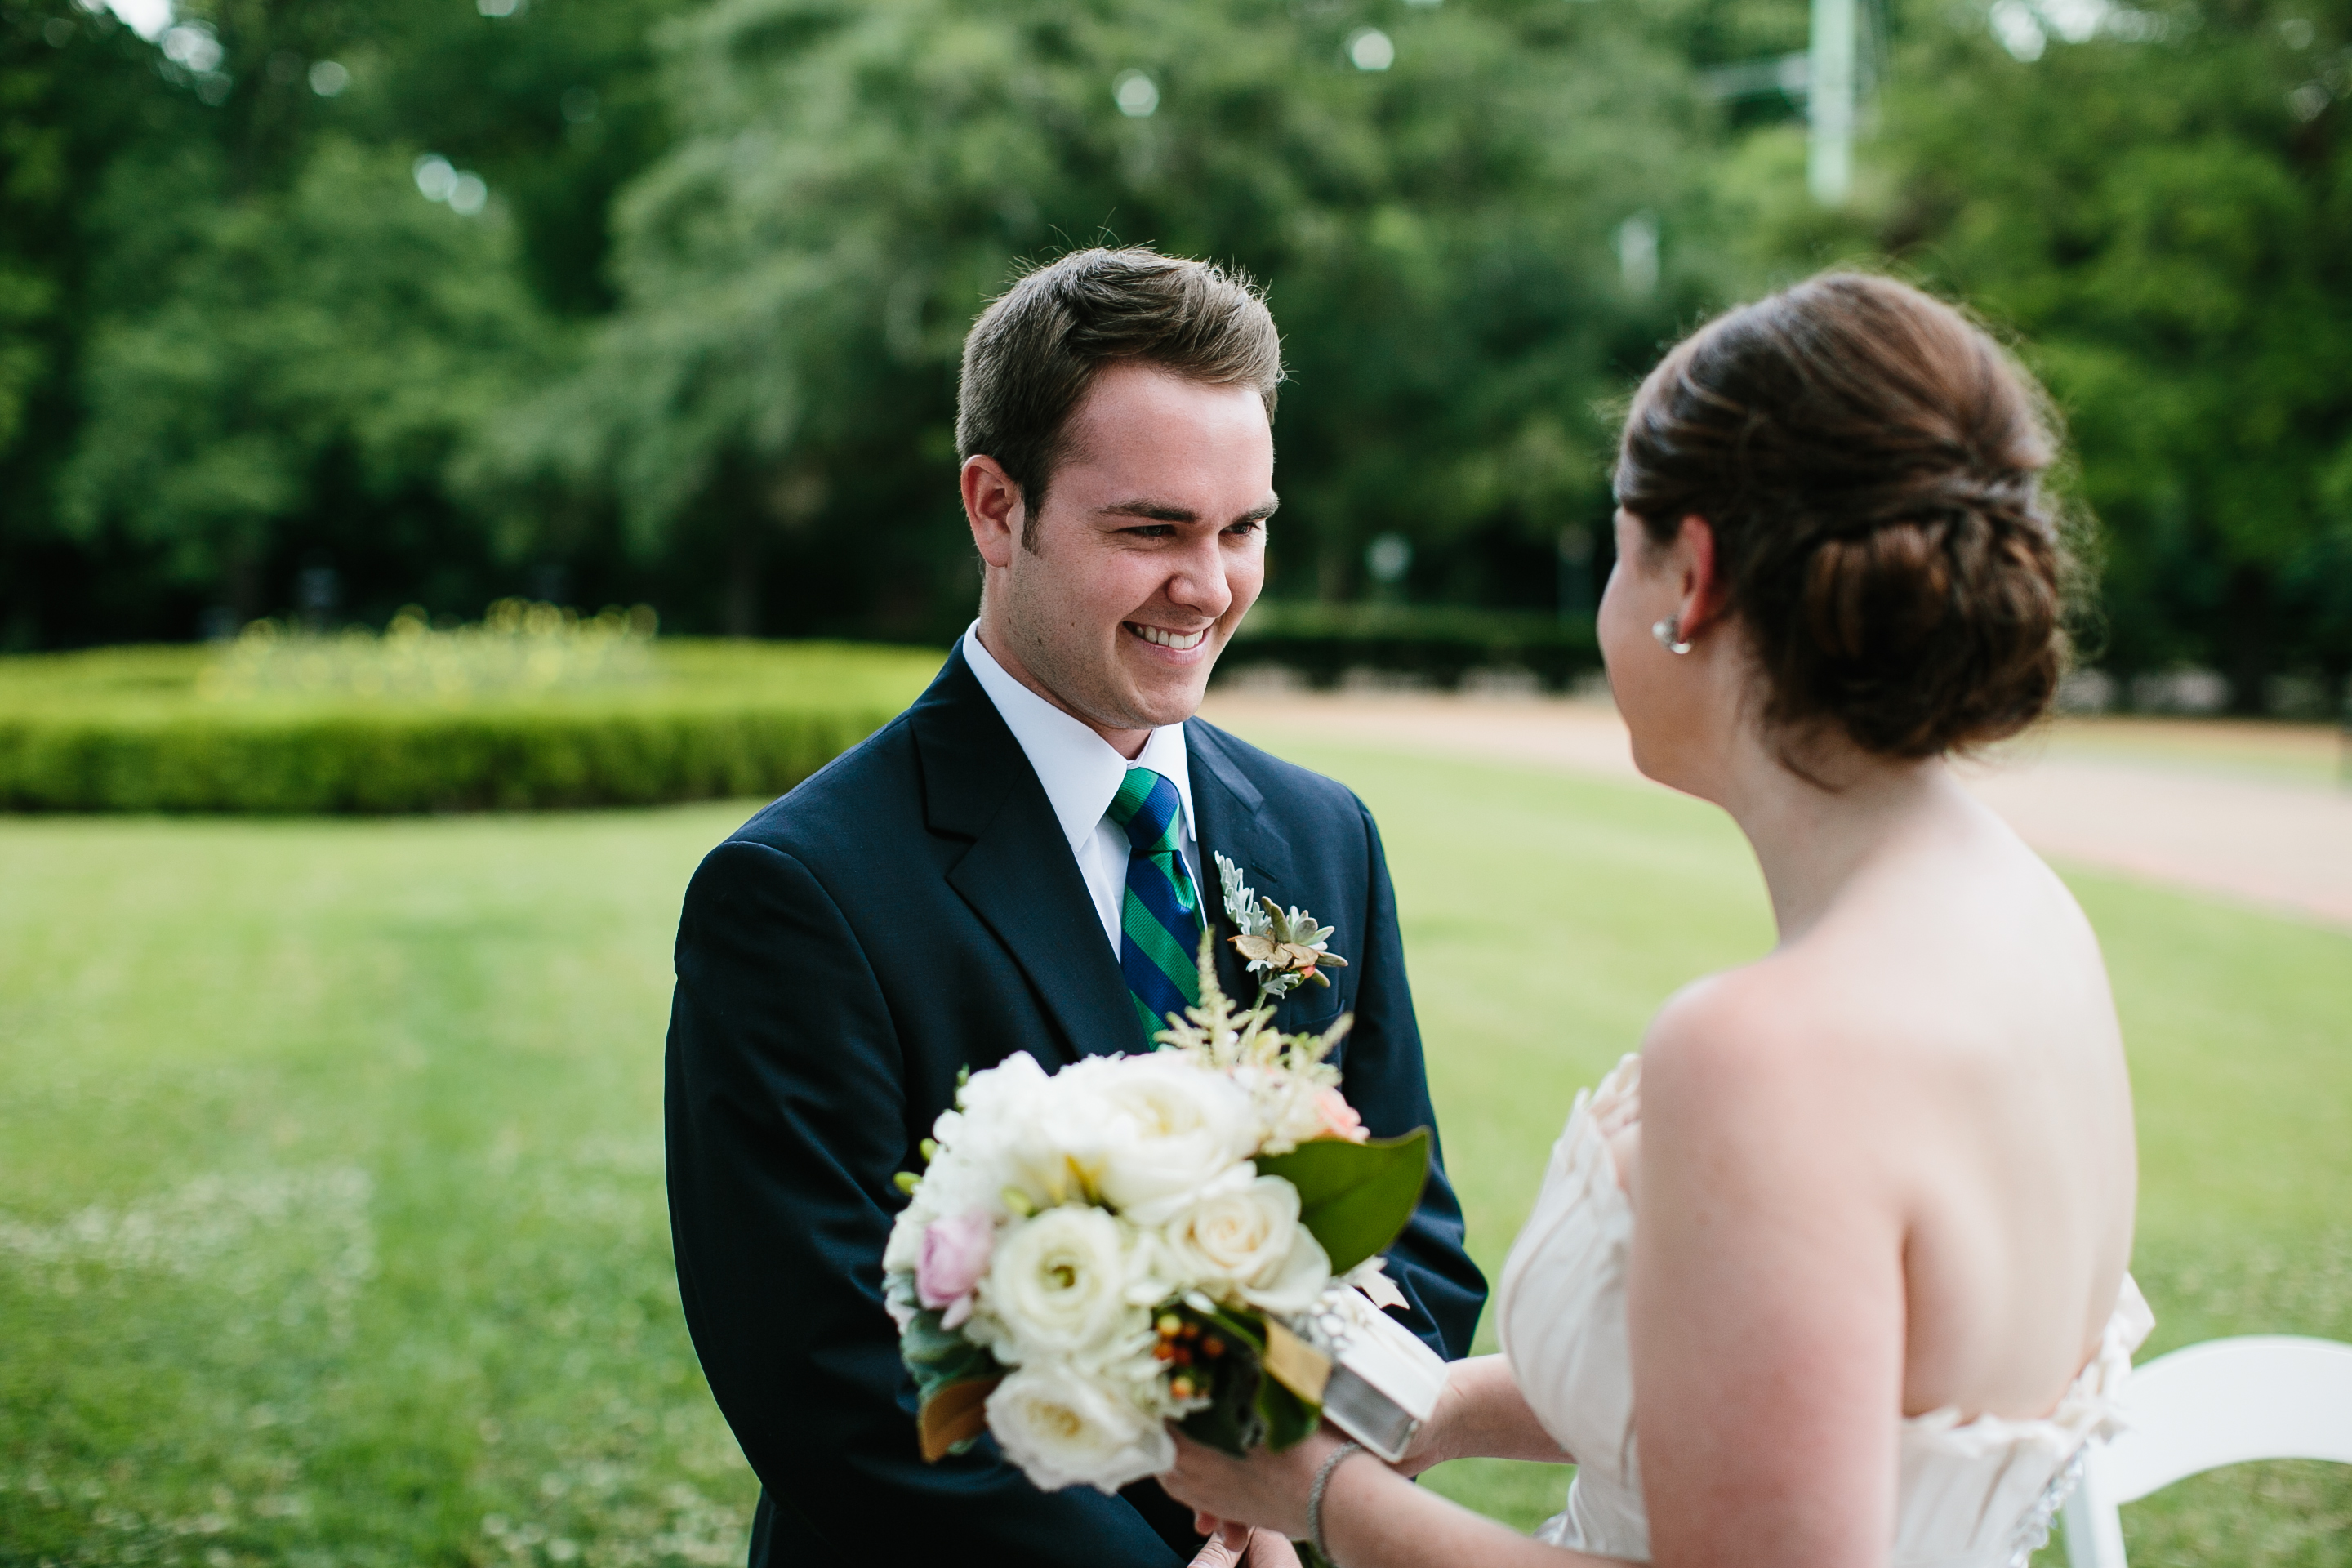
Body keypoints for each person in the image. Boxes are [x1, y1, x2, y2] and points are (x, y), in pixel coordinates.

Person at [1161, 272, 2147, 1568]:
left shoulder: (1769, 1052)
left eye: (1620, 543)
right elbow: (1806, 1388)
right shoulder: (2026, 914)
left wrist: (1320, 1492)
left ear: (1694, 575)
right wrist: (1422, 1414)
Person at [663, 247, 1487, 1568]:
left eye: (1245, 529)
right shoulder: (798, 895)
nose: (1210, 587)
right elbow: (825, 1381)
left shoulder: (1325, 836)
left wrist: (1287, 1489)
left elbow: (1418, 1250)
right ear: (997, 509)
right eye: (1152, 530)